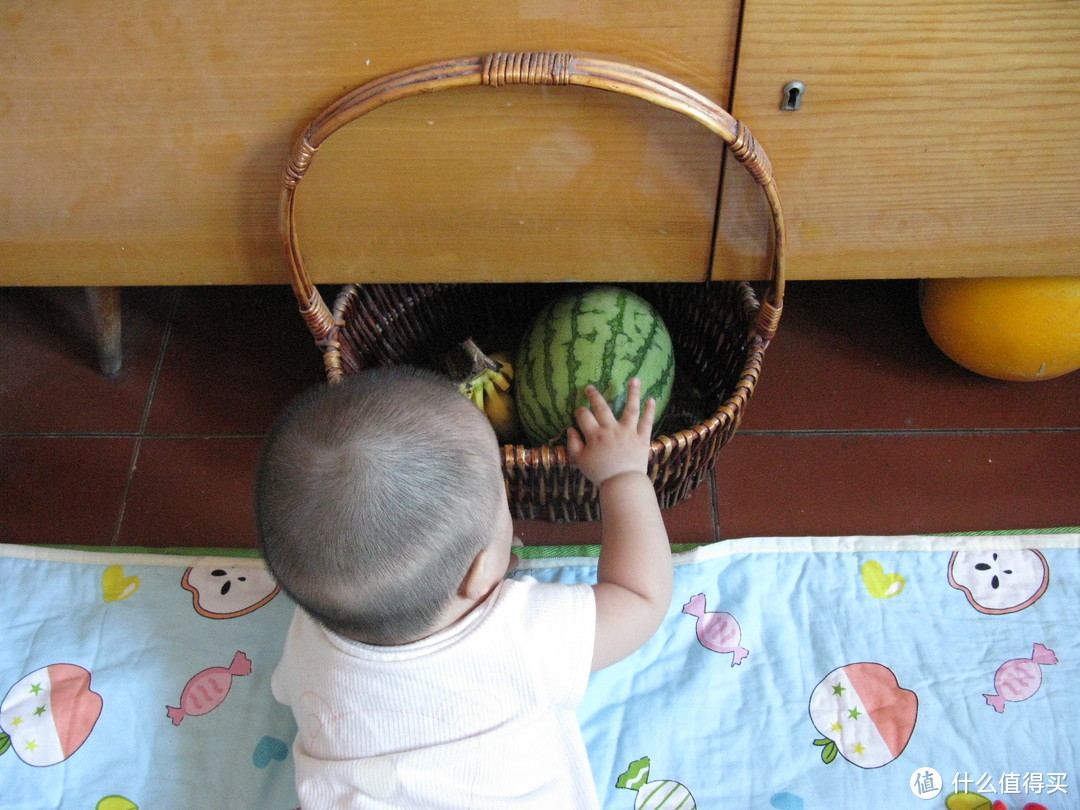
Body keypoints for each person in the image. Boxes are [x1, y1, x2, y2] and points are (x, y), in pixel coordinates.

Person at [256, 365, 673, 809]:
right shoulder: (522, 636)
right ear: (476, 574)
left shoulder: (310, 635)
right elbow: (639, 597)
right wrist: (623, 476)